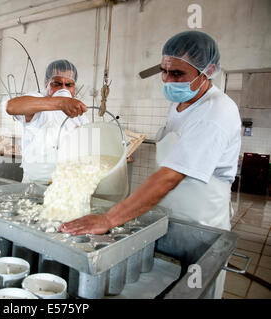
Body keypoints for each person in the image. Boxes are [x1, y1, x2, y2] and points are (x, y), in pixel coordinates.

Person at [59, 30, 241, 299]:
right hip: (169, 214)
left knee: (193, 291)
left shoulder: (215, 112)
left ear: (208, 71)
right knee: (161, 283)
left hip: (199, 224)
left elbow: (170, 176)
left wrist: (109, 218)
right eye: (164, 72)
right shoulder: (181, 103)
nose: (167, 80)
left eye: (177, 74)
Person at [6, 59, 89, 184]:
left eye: (69, 85)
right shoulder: (39, 102)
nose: (63, 88)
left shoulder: (78, 113)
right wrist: (61, 102)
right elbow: (11, 107)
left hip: (69, 184)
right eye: (57, 84)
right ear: (46, 83)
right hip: (37, 184)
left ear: (74, 87)